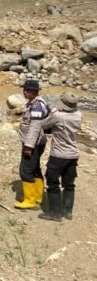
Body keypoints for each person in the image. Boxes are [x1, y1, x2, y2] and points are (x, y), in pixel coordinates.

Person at [38, 93, 81, 222]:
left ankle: (54, 213)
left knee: (52, 182)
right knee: (69, 184)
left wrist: (53, 112)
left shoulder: (58, 116)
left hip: (58, 154)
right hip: (73, 154)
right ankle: (67, 211)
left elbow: (44, 124)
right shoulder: (79, 114)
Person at [14, 79, 48, 210]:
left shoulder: (37, 106)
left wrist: (29, 146)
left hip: (33, 144)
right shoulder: (33, 103)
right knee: (35, 169)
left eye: (27, 90)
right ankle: (38, 196)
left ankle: (30, 201)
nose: (24, 92)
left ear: (34, 91)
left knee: (26, 170)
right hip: (35, 143)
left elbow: (35, 127)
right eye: (24, 89)